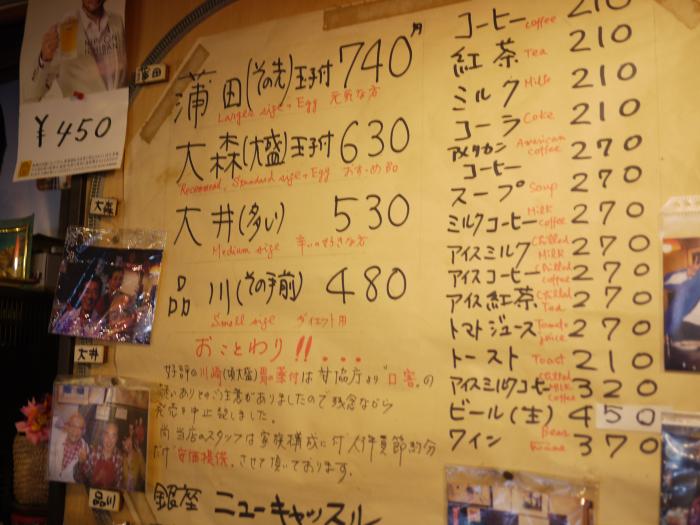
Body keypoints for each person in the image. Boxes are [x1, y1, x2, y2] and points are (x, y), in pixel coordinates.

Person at [25, 0, 126, 102]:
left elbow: (125, 72)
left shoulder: (117, 21)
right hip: (83, 110)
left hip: (120, 107)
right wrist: (44, 59)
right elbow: (34, 94)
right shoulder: (65, 29)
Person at [75, 420, 123, 490]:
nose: (109, 440)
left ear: (117, 438)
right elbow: (78, 479)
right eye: (106, 434)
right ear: (103, 436)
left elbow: (119, 483)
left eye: (113, 436)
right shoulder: (93, 452)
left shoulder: (119, 457)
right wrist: (80, 463)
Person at [48, 412, 89, 482]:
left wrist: (81, 464)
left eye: (80, 428)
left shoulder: (85, 450)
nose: (75, 431)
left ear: (83, 432)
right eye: (73, 426)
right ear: (67, 426)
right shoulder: (57, 437)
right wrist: (61, 425)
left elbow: (81, 478)